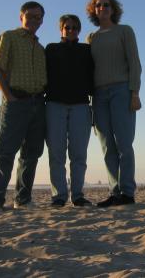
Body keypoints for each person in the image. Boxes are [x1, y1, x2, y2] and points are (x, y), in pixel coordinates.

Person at [0, 1, 47, 212]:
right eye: (30, 16)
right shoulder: (8, 37)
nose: (34, 20)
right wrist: (10, 97)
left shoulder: (41, 49)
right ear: (21, 17)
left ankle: (22, 199)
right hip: (15, 102)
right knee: (5, 152)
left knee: (31, 154)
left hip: (39, 104)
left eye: (38, 17)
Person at [86, 0, 142, 207]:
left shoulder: (124, 31)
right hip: (98, 95)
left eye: (106, 5)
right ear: (94, 10)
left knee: (124, 144)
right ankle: (114, 191)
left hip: (122, 91)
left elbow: (135, 63)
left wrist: (134, 92)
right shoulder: (91, 38)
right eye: (98, 5)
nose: (103, 8)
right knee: (106, 146)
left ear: (113, 8)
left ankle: (127, 193)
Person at [45, 14, 94, 207]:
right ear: (61, 29)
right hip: (54, 105)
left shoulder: (87, 50)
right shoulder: (51, 49)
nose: (71, 30)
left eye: (75, 27)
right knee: (56, 154)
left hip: (81, 105)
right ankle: (59, 196)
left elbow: (94, 76)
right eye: (67, 27)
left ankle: (77, 195)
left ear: (79, 30)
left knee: (79, 154)